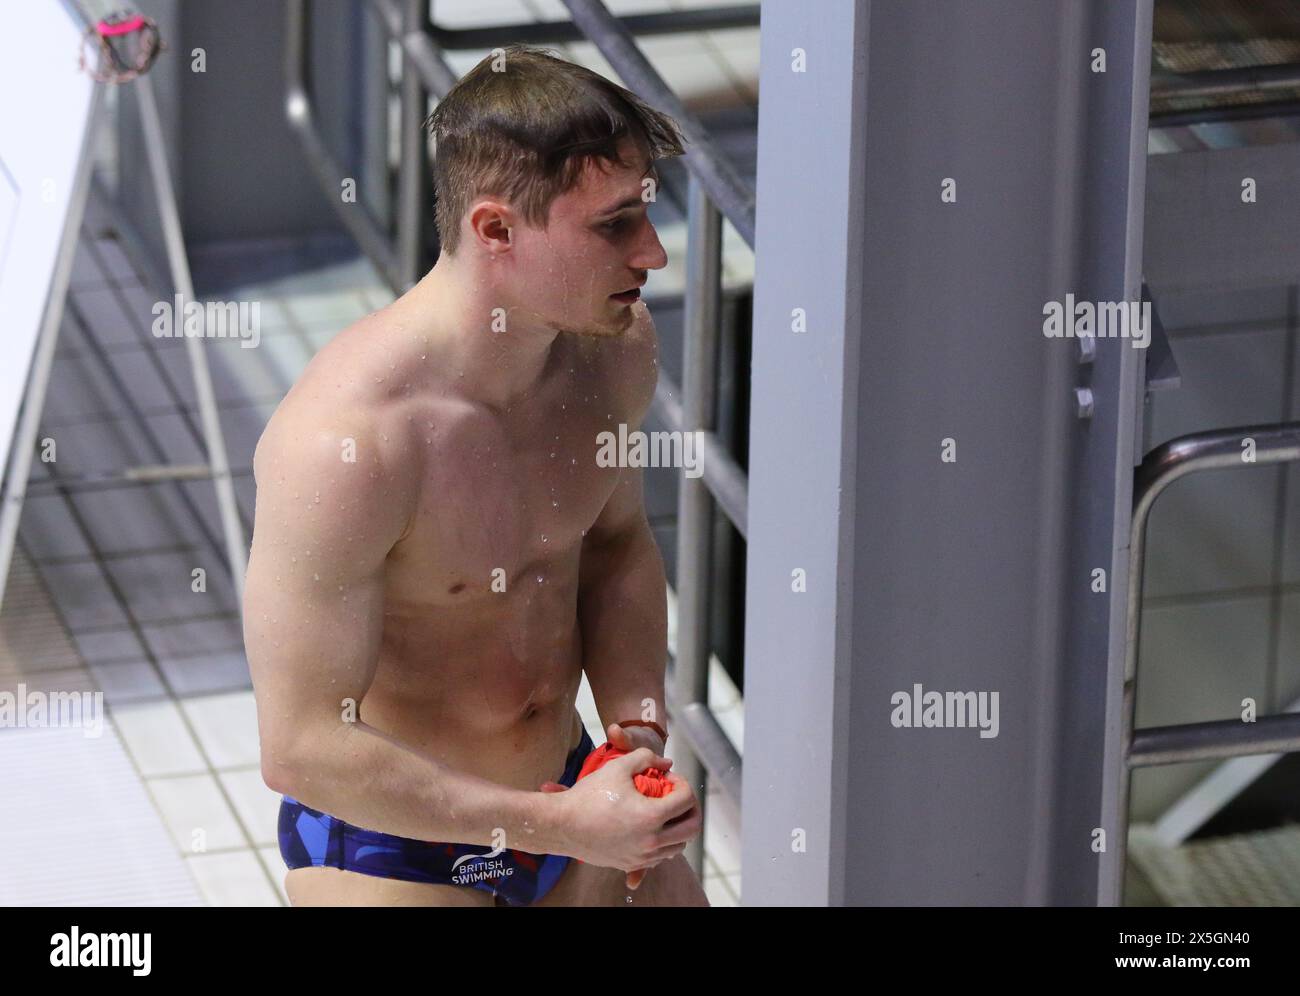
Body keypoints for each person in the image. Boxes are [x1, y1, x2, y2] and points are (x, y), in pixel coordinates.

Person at [244, 43, 709, 906]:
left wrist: (631, 732)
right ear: (495, 229)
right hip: (396, 839)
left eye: (646, 215)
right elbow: (302, 746)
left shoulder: (614, 356)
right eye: (614, 225)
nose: (653, 254)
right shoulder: (350, 443)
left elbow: (614, 550)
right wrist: (569, 827)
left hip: (567, 791)